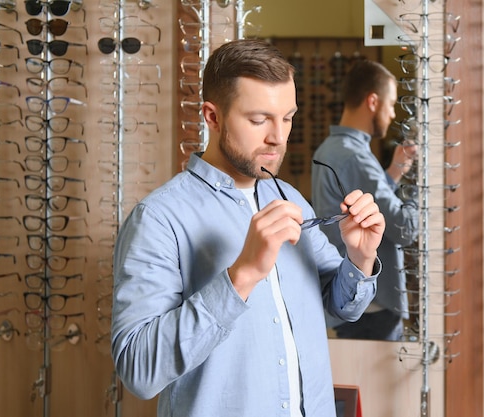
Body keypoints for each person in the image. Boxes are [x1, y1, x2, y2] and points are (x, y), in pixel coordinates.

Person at [111, 39, 386, 417]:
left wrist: (359, 257)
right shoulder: (159, 218)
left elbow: (339, 307)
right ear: (213, 116)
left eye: (287, 117)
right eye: (259, 120)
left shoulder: (289, 197)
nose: (278, 136)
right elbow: (138, 372)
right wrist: (242, 276)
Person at [311, 59, 419, 341]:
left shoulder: (330, 148)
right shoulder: (356, 157)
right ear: (373, 101)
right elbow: (404, 228)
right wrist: (420, 182)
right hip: (373, 308)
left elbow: (365, 207)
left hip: (352, 300)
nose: (393, 114)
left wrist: (394, 172)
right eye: (391, 104)